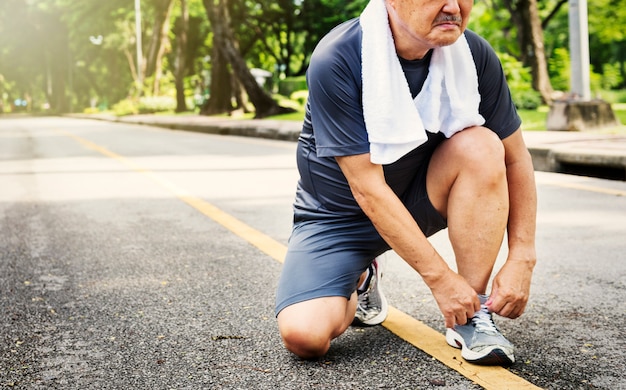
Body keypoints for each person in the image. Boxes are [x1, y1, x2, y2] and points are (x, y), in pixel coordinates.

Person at [275, 0, 537, 367]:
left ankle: (472, 314)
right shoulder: (339, 56)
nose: (453, 6)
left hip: (415, 202)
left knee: (481, 145)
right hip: (339, 220)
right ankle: (361, 276)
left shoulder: (473, 53)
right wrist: (441, 280)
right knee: (306, 336)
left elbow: (515, 157)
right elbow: (367, 188)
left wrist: (523, 255)